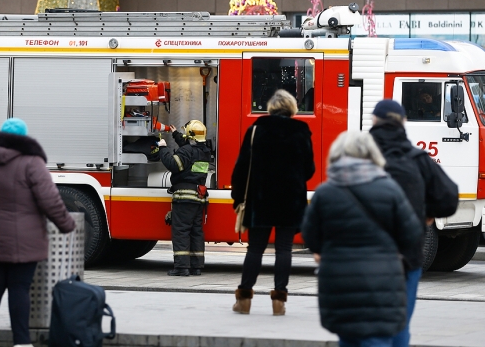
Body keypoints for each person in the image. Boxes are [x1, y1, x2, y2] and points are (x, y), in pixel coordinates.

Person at [301, 130, 422, 347]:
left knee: (348, 339)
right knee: (377, 339)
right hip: (382, 280)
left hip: (338, 282)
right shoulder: (390, 189)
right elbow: (412, 234)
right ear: (372, 154)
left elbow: (310, 236)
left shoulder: (325, 193)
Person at [0, 118, 76, 347]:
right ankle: (21, 342)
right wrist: (67, 224)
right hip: (24, 239)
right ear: (24, 137)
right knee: (19, 289)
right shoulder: (32, 161)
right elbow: (50, 200)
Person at [369, 99, 458, 347]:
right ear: (403, 123)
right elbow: (449, 198)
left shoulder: (357, 155)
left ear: (374, 122)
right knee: (400, 325)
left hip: (363, 256)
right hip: (406, 256)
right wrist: (426, 213)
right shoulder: (418, 159)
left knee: (364, 325)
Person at [231, 89, 315, 315]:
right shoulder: (301, 131)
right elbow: (309, 170)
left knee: (256, 248)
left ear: (271, 107)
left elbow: (241, 168)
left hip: (260, 199)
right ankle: (279, 301)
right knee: (284, 249)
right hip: (290, 200)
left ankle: (244, 299)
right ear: (292, 108)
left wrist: (237, 197)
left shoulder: (256, 129)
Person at [158, 119, 211, 277]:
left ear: (189, 135)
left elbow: (173, 164)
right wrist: (176, 135)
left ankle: (181, 267)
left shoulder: (187, 151)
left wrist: (163, 148)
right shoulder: (204, 151)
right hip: (198, 198)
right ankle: (196, 266)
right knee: (196, 232)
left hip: (184, 197)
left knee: (181, 231)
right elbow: (189, 149)